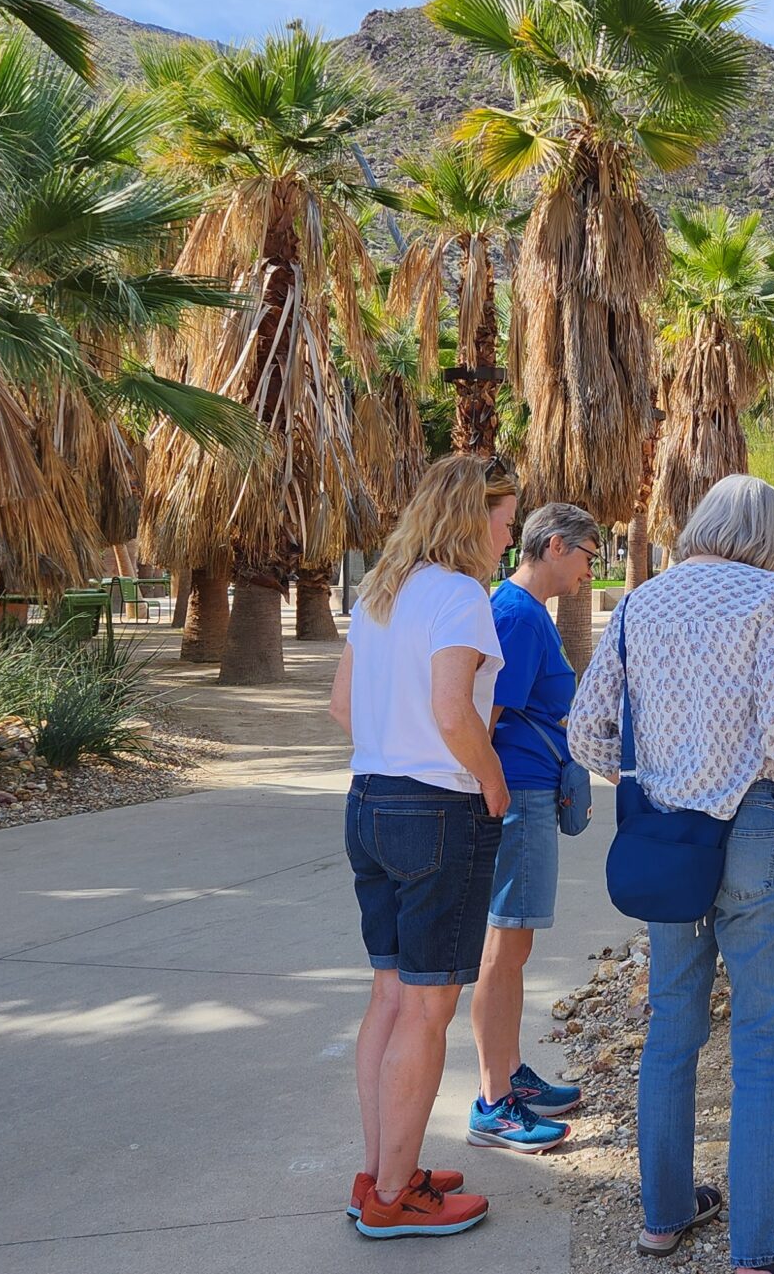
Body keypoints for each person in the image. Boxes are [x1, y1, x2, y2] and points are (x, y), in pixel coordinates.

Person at [567, 474, 774, 1274]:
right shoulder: (768, 596)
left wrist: (655, 776)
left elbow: (588, 732)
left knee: (673, 1022)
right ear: (770, 536)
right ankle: (760, 1248)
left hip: (667, 833)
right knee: (760, 1038)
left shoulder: (642, 599)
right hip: (758, 821)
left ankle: (665, 1213)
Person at [327, 453, 518, 1240]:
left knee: (389, 996)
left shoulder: (382, 589)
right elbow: (453, 709)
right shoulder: (461, 595)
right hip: (438, 806)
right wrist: (493, 781)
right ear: (474, 515)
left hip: (368, 799)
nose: (511, 532)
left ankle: (383, 1170)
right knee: (430, 1007)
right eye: (506, 517)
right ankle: (396, 1195)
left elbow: (342, 705)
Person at [465, 500, 600, 1152]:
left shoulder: (524, 612)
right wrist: (486, 795)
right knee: (505, 945)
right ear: (553, 546)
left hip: (527, 791)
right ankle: (493, 1101)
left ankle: (508, 1073)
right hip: (517, 795)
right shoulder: (517, 614)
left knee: (514, 947)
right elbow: (486, 715)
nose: (588, 573)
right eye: (586, 557)